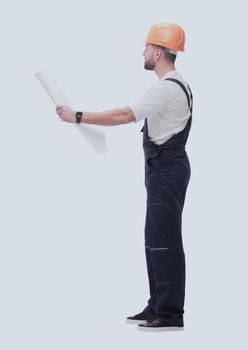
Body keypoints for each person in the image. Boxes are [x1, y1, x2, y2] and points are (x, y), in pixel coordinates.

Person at [55, 23, 193, 332]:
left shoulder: (166, 88)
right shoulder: (174, 84)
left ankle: (171, 314)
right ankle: (157, 305)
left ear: (158, 52)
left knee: (165, 240)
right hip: (163, 169)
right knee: (154, 239)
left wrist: (77, 116)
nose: (143, 52)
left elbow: (124, 115)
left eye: (146, 47)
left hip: (167, 170)